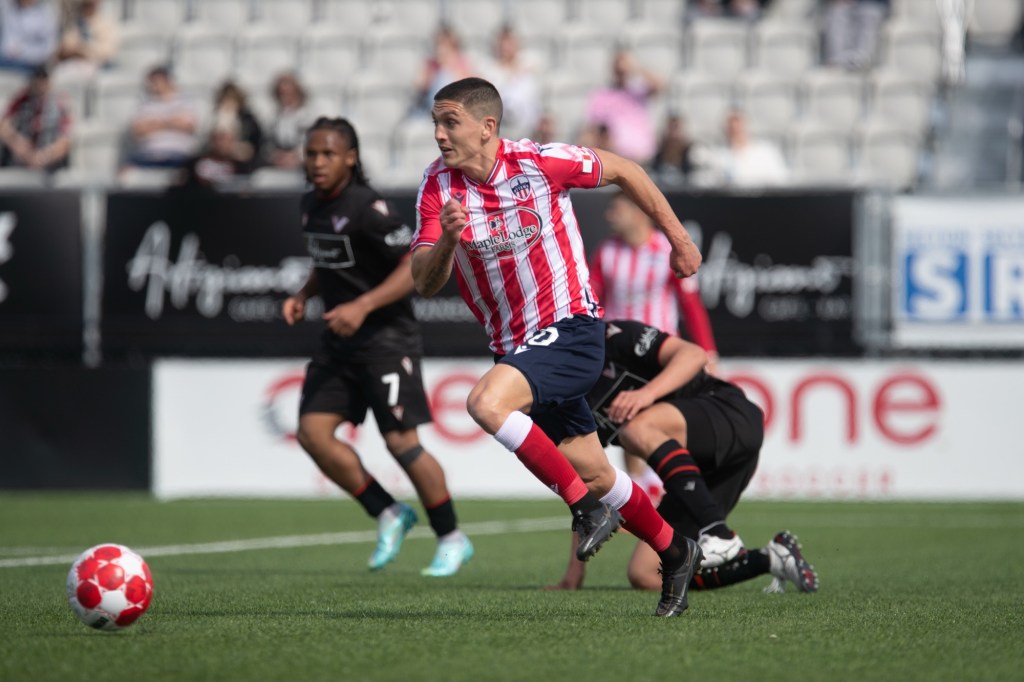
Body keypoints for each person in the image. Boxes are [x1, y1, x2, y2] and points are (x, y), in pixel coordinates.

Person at [410, 77, 704, 617]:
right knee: (596, 472)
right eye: (436, 123)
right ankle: (675, 549)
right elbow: (424, 282)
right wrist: (448, 240)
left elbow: (627, 170)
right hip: (517, 350)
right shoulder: (436, 187)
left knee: (485, 404)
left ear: (487, 127)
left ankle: (585, 509)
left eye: (450, 122)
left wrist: (679, 239)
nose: (439, 134)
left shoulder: (539, 163)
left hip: (571, 329)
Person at [282, 116, 473, 577]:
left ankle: (451, 537)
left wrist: (363, 305)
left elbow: (412, 267)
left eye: (329, 154)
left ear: (350, 158)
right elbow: (326, 258)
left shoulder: (370, 208)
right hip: (339, 342)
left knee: (401, 443)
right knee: (312, 433)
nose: (318, 162)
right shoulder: (311, 204)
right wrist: (304, 294)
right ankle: (387, 510)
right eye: (312, 153)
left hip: (386, 340)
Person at [548, 319, 819, 596]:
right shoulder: (563, 399)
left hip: (729, 415)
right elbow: (587, 482)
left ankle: (719, 533)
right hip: (700, 471)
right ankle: (771, 558)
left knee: (637, 428)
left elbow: (694, 355)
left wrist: (646, 394)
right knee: (646, 574)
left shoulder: (610, 336)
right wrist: (574, 571)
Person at [589, 191, 719, 497]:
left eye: (616, 209)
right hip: (618, 353)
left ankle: (659, 485)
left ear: (638, 212)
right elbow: (593, 300)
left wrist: (708, 352)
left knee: (654, 421)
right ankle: (640, 490)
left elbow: (691, 304)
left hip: (659, 352)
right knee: (625, 420)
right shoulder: (607, 252)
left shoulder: (667, 250)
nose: (609, 215)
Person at [579, 48, 664, 165]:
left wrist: (636, 68)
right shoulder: (602, 95)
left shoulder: (638, 91)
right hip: (616, 161)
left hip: (643, 160)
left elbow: (660, 85)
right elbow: (593, 129)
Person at [125, 65, 201, 170]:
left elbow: (186, 126)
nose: (154, 85)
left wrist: (154, 124)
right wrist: (171, 122)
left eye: (157, 81)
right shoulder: (144, 105)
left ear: (167, 81)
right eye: (152, 82)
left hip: (178, 154)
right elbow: (138, 130)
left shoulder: (184, 102)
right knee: (126, 170)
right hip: (148, 154)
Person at [0, 65, 71, 171]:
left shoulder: (60, 102)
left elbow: (67, 138)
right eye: (36, 81)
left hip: (49, 165)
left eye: (42, 81)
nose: (39, 86)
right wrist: (18, 143)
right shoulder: (21, 100)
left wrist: (44, 156)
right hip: (20, 161)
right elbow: (3, 125)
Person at [479, 24, 540, 142]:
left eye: (509, 43)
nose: (505, 47)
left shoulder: (528, 62)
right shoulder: (489, 69)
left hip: (529, 124)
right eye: (502, 43)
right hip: (502, 124)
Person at [699, 110, 790, 188]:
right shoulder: (718, 157)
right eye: (731, 128)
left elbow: (781, 182)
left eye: (738, 126)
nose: (735, 130)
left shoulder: (767, 152)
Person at [411, 24, 474, 117]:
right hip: (430, 107)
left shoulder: (462, 62)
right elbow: (420, 85)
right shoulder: (431, 63)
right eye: (439, 44)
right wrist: (435, 71)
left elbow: (469, 86)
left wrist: (448, 67)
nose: (442, 48)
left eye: (446, 44)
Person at [53, 0, 120, 82]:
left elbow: (106, 51)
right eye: (85, 4)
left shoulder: (106, 23)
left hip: (97, 68)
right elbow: (66, 46)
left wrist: (82, 50)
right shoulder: (73, 22)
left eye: (90, 4)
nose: (87, 7)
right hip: (71, 66)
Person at [210, 79, 263, 174]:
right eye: (225, 99)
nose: (228, 103)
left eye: (232, 99)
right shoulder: (214, 117)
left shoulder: (248, 120)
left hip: (242, 164)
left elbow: (255, 145)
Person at [263, 71, 313, 171]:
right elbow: (267, 145)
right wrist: (276, 156)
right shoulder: (273, 118)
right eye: (281, 94)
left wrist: (296, 157)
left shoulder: (308, 116)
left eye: (289, 93)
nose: (285, 97)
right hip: (277, 166)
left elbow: (311, 142)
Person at [0, 0, 58, 73]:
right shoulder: (10, 9)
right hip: (8, 61)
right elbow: (7, 45)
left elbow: (49, 48)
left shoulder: (47, 13)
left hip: (34, 64)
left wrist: (23, 51)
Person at [651, 113, 697, 184]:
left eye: (677, 129)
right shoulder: (654, 163)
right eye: (671, 129)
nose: (674, 136)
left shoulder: (693, 161)